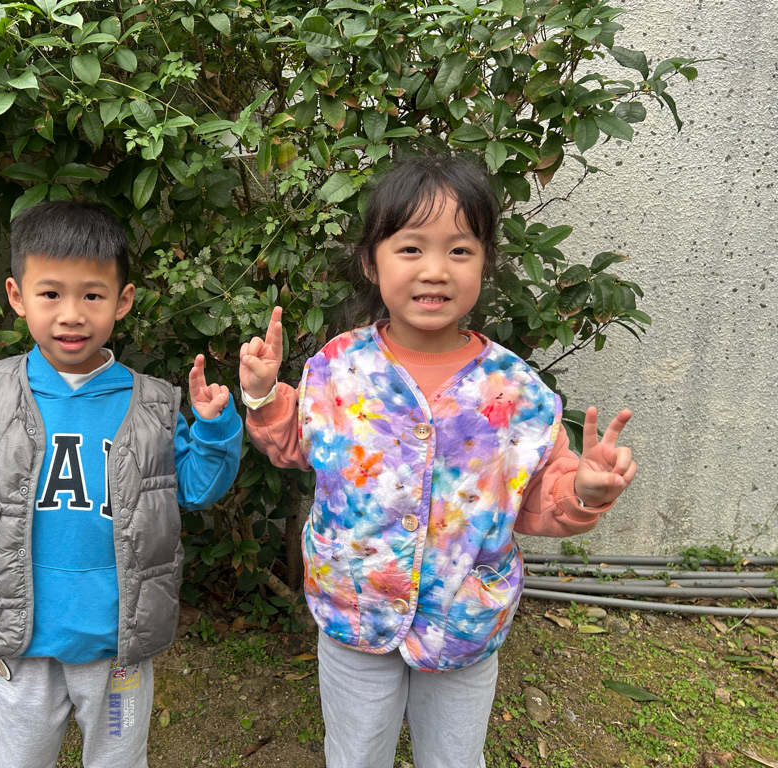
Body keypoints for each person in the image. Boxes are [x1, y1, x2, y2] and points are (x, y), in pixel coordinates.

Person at [238, 155, 636, 768]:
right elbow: (295, 442)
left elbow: (538, 491)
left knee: (454, 756)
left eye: (459, 250)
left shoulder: (514, 389)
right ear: (371, 262)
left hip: (463, 620)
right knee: (354, 754)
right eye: (410, 248)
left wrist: (584, 490)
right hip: (355, 608)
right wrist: (264, 397)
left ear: (485, 263)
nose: (434, 269)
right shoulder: (339, 367)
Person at [0, 201, 243, 768]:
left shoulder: (151, 403)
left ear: (122, 300)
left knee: (119, 759)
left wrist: (215, 429)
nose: (71, 314)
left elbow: (195, 488)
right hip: (21, 636)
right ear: (17, 295)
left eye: (92, 295)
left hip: (117, 641)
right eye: (50, 293)